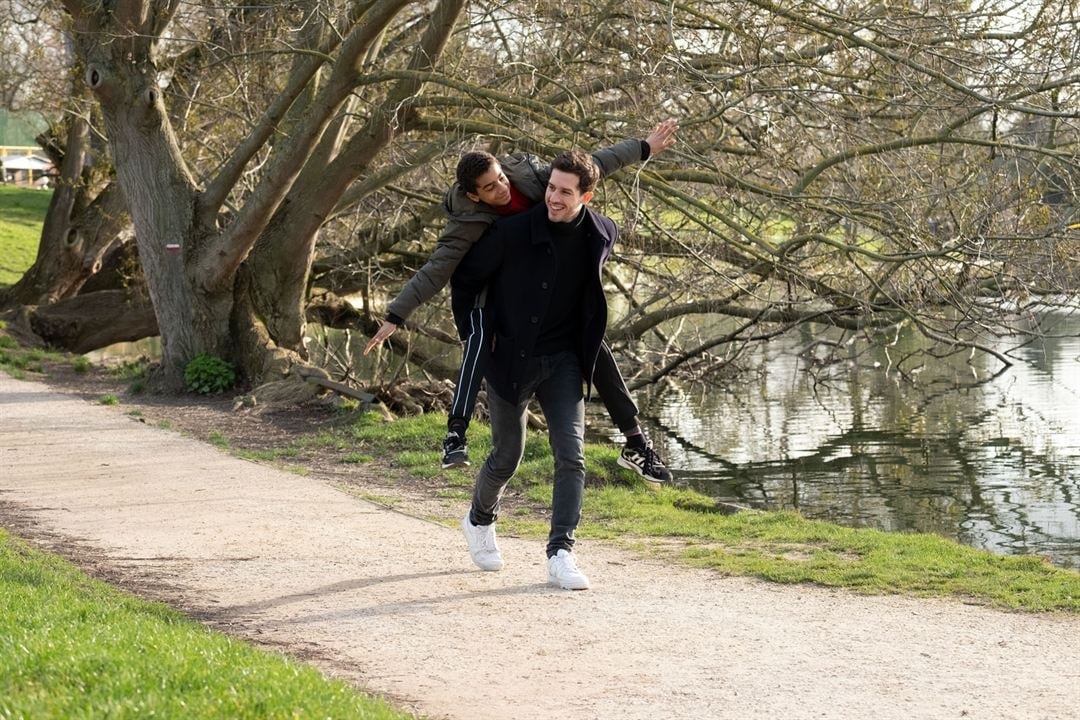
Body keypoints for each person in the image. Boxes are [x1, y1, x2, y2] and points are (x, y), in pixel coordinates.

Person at [364, 120, 678, 482]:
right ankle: (456, 434)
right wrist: (395, 316)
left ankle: (636, 443)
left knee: (593, 341)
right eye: (490, 188)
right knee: (479, 340)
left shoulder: (529, 177)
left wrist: (643, 147)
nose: (501, 188)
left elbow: (591, 167)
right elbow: (435, 271)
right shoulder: (465, 221)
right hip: (494, 292)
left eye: (500, 178)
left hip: (540, 285)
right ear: (473, 196)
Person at [452, 150, 615, 589]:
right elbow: (464, 282)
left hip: (564, 360)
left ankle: (561, 552)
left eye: (565, 191)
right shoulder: (509, 232)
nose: (554, 197)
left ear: (586, 195)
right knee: (508, 456)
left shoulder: (600, 234)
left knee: (572, 455)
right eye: (550, 188)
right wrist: (474, 337)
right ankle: (479, 519)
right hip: (510, 360)